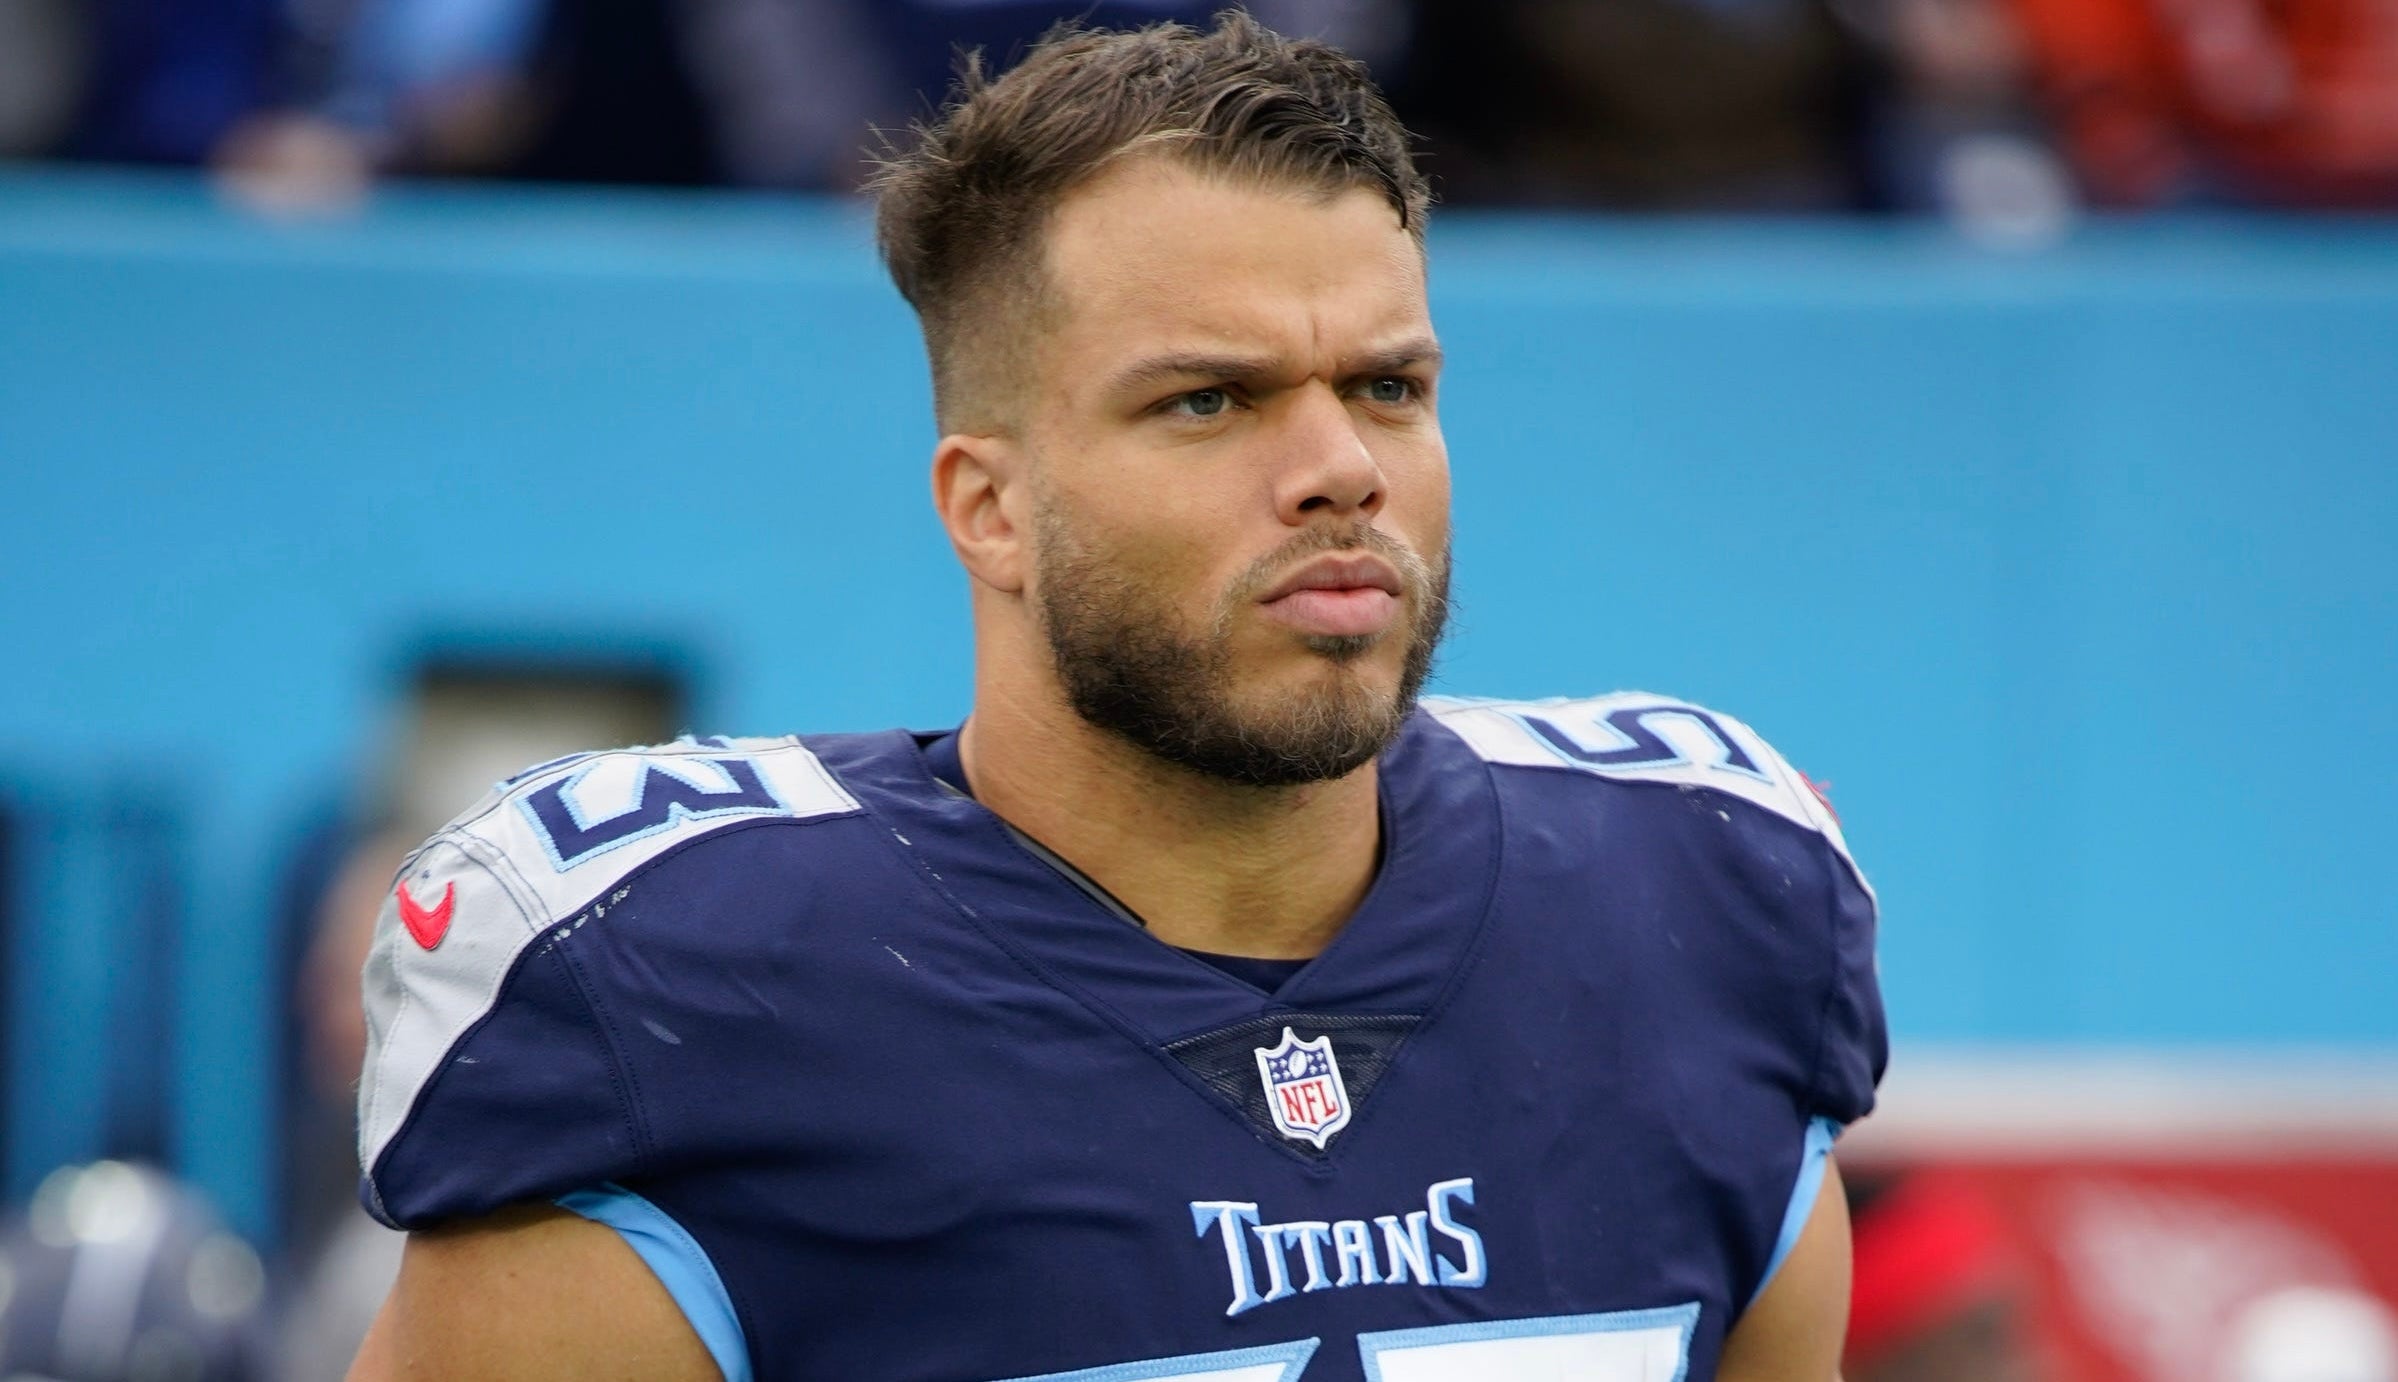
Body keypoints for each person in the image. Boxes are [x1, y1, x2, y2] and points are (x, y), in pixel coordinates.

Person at [345, 15, 1886, 1380]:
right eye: (1207, 400)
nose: (1339, 466)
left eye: (1386, 387)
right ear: (988, 508)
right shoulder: (669, 993)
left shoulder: (1694, 903)